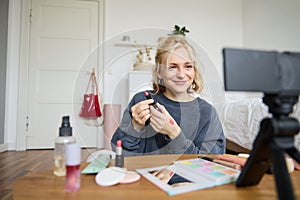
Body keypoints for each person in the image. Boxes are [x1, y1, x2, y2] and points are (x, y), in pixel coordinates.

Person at [111, 35, 225, 156]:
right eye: (172, 67)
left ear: (194, 71)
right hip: (145, 173)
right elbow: (119, 152)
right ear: (159, 72)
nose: (181, 74)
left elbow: (211, 163)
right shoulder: (142, 101)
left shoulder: (207, 112)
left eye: (188, 66)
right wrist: (135, 127)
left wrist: (175, 134)